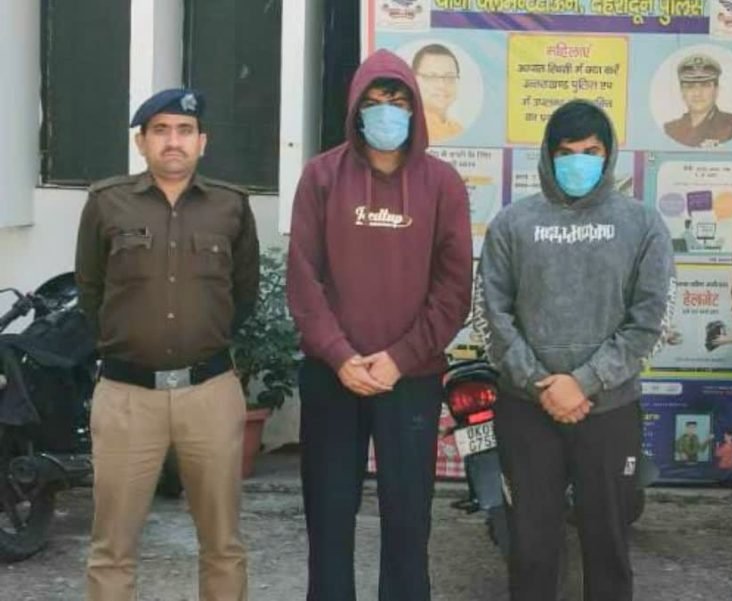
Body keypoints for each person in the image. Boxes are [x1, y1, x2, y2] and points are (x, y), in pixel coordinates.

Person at [286, 48, 472, 601]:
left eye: (396, 100)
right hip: (332, 376)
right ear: (355, 109)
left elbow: (453, 289)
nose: (386, 111)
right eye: (373, 101)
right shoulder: (321, 176)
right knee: (328, 516)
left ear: (414, 108)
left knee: (409, 518)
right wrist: (340, 356)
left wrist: (399, 358)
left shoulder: (442, 184)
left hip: (410, 379)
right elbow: (303, 279)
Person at [474, 99, 675, 601]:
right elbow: (491, 315)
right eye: (566, 152)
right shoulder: (512, 223)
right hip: (527, 408)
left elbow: (651, 318)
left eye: (590, 151)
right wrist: (539, 384)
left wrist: (584, 382)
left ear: (608, 155)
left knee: (608, 544)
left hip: (609, 410)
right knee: (531, 548)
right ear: (548, 155)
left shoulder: (642, 224)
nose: (578, 162)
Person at [75, 88, 260, 601]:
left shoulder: (231, 205)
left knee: (223, 545)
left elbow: (243, 295)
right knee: (112, 548)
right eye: (160, 130)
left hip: (209, 394)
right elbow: (90, 292)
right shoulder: (105, 203)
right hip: (127, 397)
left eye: (184, 130)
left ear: (203, 141)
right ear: (142, 142)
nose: (172, 141)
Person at [663, 53, 732, 148]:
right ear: (682, 92)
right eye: (690, 87)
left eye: (705, 85)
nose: (697, 93)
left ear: (716, 90)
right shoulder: (670, 129)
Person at [412, 43, 464, 143]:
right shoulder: (409, 129)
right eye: (432, 77)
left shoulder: (458, 129)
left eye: (449, 77)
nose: (442, 85)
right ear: (414, 79)